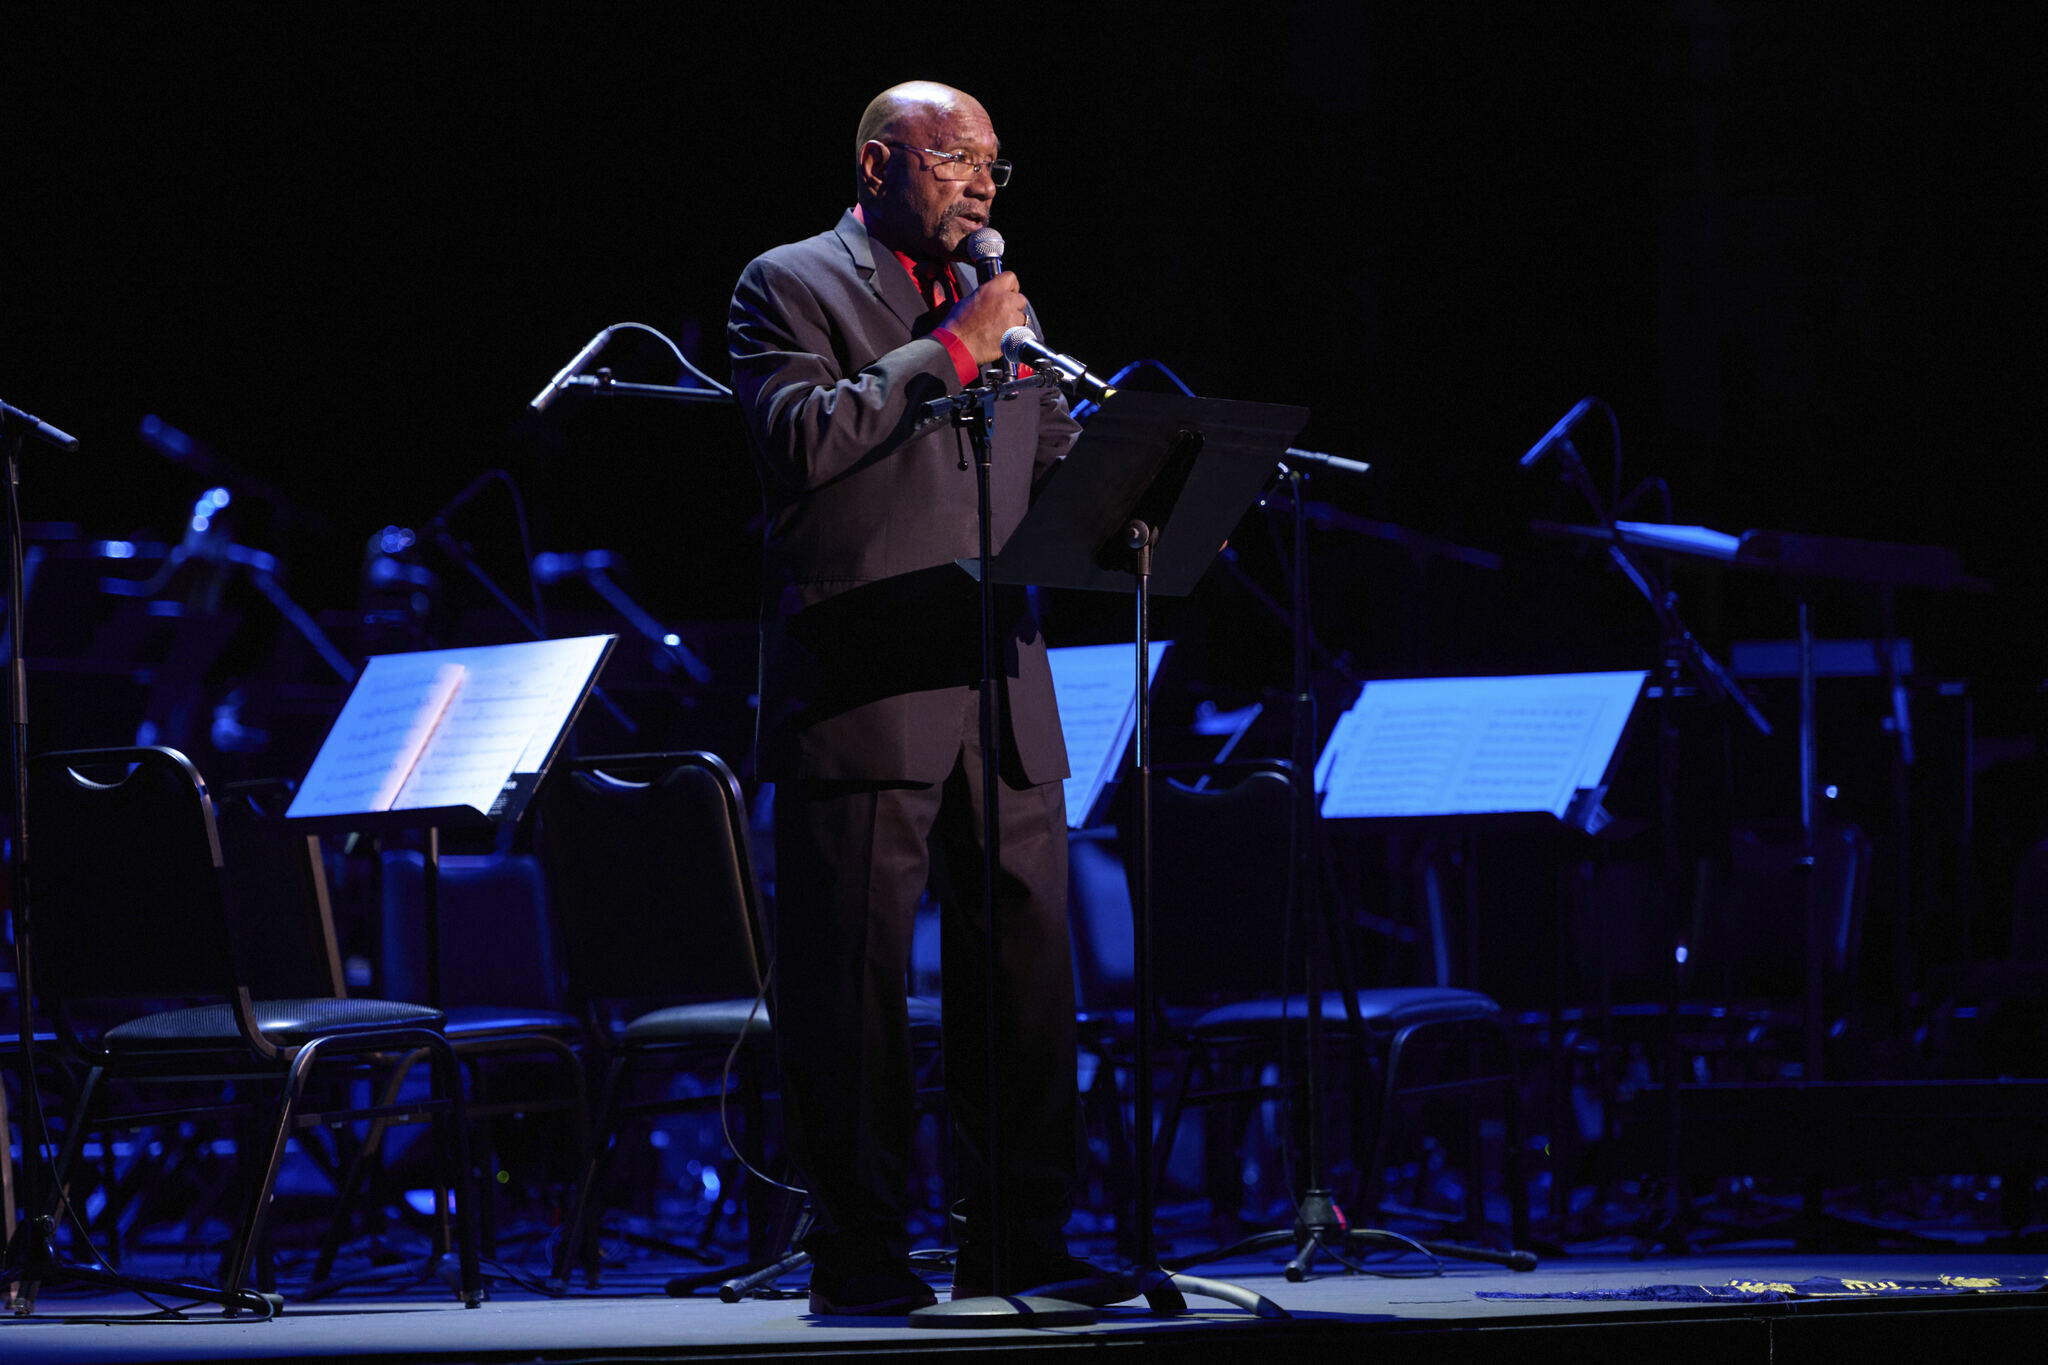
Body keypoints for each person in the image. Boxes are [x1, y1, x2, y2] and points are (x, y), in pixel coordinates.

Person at [727, 81, 1094, 1315]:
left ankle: (1022, 1243)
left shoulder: (1008, 310)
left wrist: (1123, 481)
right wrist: (954, 350)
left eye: (994, 162)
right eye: (954, 159)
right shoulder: (789, 283)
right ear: (883, 162)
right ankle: (861, 1258)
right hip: (866, 685)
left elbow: (1046, 477)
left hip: (996, 682)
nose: (982, 183)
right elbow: (801, 441)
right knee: (855, 996)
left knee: (1031, 984)